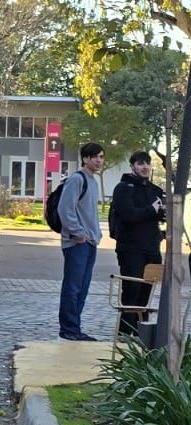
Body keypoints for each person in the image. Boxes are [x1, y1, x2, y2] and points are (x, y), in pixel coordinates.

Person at [110, 150, 166, 338]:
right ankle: (125, 336)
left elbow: (158, 216)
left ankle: (141, 335)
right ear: (132, 166)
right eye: (140, 163)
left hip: (152, 249)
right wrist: (152, 210)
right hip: (130, 249)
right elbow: (129, 214)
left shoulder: (154, 190)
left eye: (147, 163)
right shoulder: (123, 188)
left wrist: (163, 212)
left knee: (146, 294)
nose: (145, 167)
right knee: (131, 291)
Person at [57, 142, 105, 341]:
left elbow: (90, 213)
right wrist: (78, 233)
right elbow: (65, 209)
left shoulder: (93, 182)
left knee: (82, 288)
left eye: (101, 157)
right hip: (77, 243)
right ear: (85, 158)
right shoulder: (77, 180)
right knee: (73, 286)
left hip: (90, 242)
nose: (99, 161)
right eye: (95, 157)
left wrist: (95, 235)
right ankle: (68, 329)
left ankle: (75, 327)